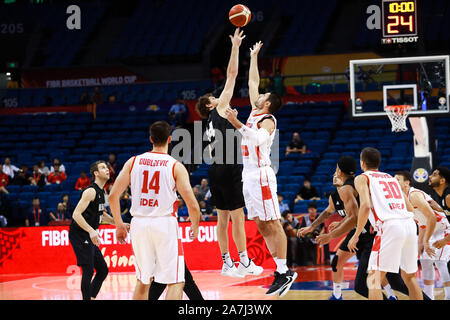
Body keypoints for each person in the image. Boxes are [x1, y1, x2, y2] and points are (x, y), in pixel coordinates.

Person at [224, 40, 297, 298]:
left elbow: (260, 140)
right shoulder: (256, 111)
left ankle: (286, 271)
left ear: (267, 103)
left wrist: (235, 123)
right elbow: (253, 82)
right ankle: (278, 270)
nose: (259, 94)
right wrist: (254, 56)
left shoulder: (268, 119)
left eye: (264, 96)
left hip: (262, 175)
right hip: (249, 176)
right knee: (260, 224)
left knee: (273, 223)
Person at [196, 28, 263, 279]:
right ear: (210, 105)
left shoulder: (208, 123)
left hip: (215, 168)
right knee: (237, 216)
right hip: (230, 166)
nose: (221, 97)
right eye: (214, 97)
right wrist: (235, 46)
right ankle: (244, 261)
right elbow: (232, 74)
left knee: (221, 220)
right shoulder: (220, 107)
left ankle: (227, 263)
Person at [109, 121, 200, 300]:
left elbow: (112, 196)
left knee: (143, 280)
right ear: (170, 139)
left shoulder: (133, 161)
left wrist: (119, 225)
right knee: (176, 281)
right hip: (164, 223)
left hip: (139, 224)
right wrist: (194, 225)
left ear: (150, 139)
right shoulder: (175, 165)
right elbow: (193, 204)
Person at [347, 147, 423, 300]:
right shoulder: (390, 177)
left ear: (362, 163)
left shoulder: (362, 178)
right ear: (378, 163)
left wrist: (356, 235)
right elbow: (409, 206)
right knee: (409, 277)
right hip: (408, 223)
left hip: (390, 226)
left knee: (373, 279)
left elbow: (366, 206)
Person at [395, 170, 450, 300]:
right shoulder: (402, 198)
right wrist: (421, 243)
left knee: (441, 262)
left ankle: (448, 296)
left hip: (442, 227)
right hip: (430, 229)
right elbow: (422, 223)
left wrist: (425, 241)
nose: (394, 182)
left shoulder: (414, 195)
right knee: (425, 261)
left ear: (407, 183)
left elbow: (432, 217)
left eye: (398, 180)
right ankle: (429, 296)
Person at [69, 161, 116, 300]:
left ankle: (91, 297)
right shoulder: (91, 191)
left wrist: (118, 224)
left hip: (89, 234)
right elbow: (76, 214)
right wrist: (91, 230)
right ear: (96, 173)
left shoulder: (102, 191)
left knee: (102, 270)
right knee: (88, 270)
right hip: (80, 233)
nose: (107, 169)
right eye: (103, 167)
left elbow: (102, 214)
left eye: (107, 167)